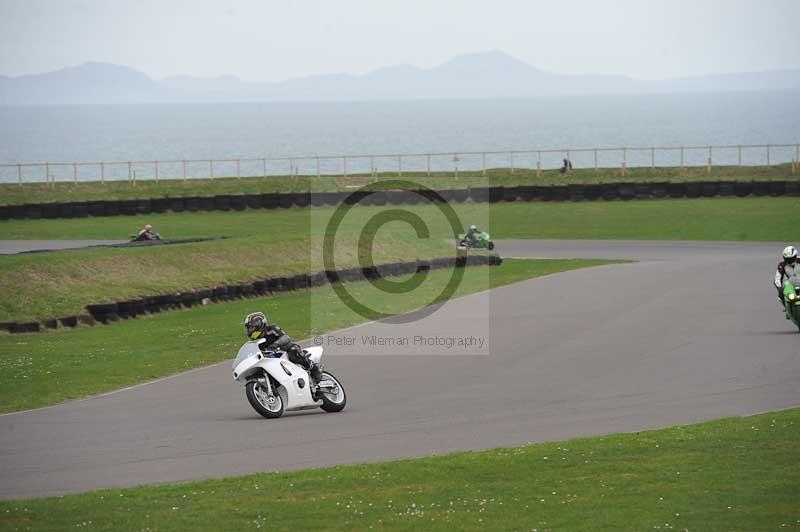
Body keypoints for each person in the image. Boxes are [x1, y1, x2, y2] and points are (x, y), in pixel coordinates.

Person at [244, 311, 322, 382]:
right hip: (273, 359)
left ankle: (314, 369)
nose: (250, 330)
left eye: (251, 327)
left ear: (259, 325)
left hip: (285, 351)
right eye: (249, 328)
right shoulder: (255, 342)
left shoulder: (272, 329)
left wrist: (276, 344)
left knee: (293, 350)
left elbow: (286, 338)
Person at [774, 245, 798, 318]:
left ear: (795, 256)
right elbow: (777, 278)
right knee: (781, 292)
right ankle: (787, 308)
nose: (789, 261)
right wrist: (779, 287)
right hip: (791, 283)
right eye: (787, 259)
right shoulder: (782, 265)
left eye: (791, 258)